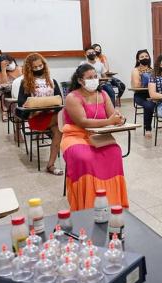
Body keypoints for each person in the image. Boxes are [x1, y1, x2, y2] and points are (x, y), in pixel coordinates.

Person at [60, 64, 128, 211]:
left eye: (95, 77)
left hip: (98, 135)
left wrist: (119, 118)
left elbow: (112, 115)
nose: (94, 80)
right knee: (84, 158)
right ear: (80, 80)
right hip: (75, 135)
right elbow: (82, 122)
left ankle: (112, 200)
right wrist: (109, 122)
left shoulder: (102, 94)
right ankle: (88, 204)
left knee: (115, 152)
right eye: (89, 78)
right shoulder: (72, 97)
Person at [17, 53, 63, 175]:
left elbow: (59, 100)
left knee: (59, 131)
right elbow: (21, 103)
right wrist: (38, 108)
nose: (38, 69)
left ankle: (50, 165)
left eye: (40, 65)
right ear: (29, 68)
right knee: (63, 123)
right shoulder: (25, 83)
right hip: (35, 117)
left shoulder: (52, 81)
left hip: (51, 115)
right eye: (35, 67)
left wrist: (50, 107)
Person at [131, 49, 155, 137]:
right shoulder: (136, 70)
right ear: (138, 60)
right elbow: (137, 86)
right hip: (140, 95)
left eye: (146, 56)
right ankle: (148, 128)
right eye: (142, 57)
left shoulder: (153, 70)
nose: (145, 58)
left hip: (153, 94)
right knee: (149, 105)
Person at [0, 54, 22, 121]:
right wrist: (3, 70)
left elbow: (20, 81)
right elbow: (4, 84)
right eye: (6, 64)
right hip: (7, 91)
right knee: (0, 91)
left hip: (19, 89)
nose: (9, 65)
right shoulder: (0, 73)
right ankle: (4, 113)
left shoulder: (19, 68)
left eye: (10, 62)